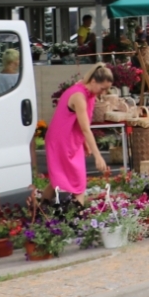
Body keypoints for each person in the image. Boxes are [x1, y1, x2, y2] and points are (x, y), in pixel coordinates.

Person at [44, 64, 113, 202]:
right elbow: (85, 128)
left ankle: (40, 207)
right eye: (103, 88)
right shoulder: (79, 97)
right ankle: (78, 217)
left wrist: (84, 142)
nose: (103, 93)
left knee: (61, 177)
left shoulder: (85, 92)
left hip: (68, 138)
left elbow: (80, 124)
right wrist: (98, 156)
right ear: (93, 81)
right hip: (61, 141)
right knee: (77, 180)